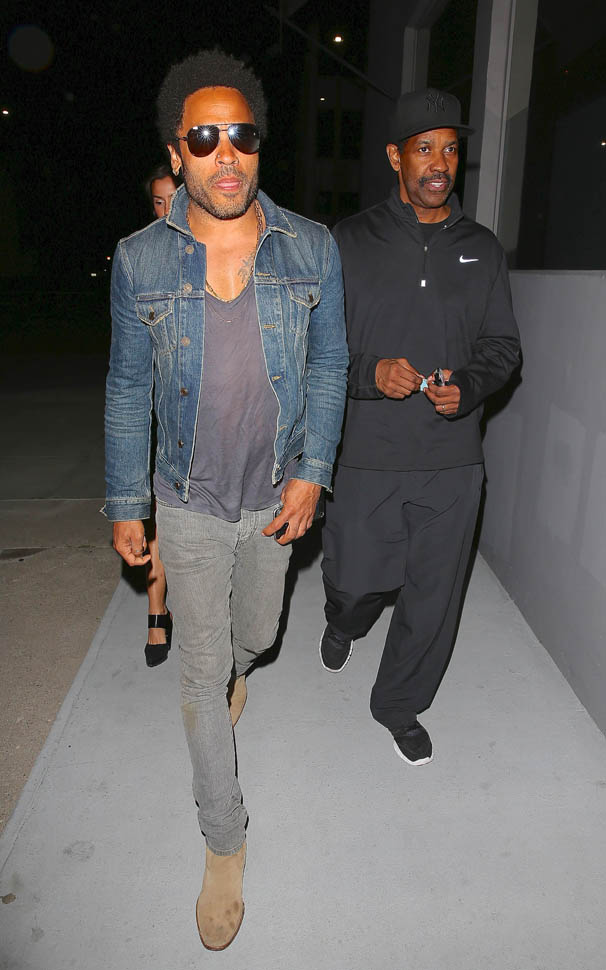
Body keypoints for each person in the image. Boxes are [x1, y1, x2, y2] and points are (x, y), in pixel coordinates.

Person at [104, 49, 348, 951]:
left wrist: (313, 470)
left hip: (273, 496)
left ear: (258, 144)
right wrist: (126, 501)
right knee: (201, 673)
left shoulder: (311, 247)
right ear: (178, 154)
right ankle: (223, 839)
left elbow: (330, 365)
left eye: (240, 134)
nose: (225, 153)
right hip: (188, 500)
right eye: (203, 138)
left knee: (261, 635)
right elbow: (128, 387)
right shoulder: (140, 261)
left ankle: (238, 671)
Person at [320, 87, 521, 768]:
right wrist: (370, 373)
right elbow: (318, 350)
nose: (440, 163)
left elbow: (503, 347)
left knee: (433, 599)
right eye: (425, 148)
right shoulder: (350, 241)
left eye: (450, 150)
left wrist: (470, 387)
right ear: (394, 157)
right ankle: (343, 620)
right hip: (366, 456)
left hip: (452, 462)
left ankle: (398, 705)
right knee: (356, 582)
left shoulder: (482, 249)